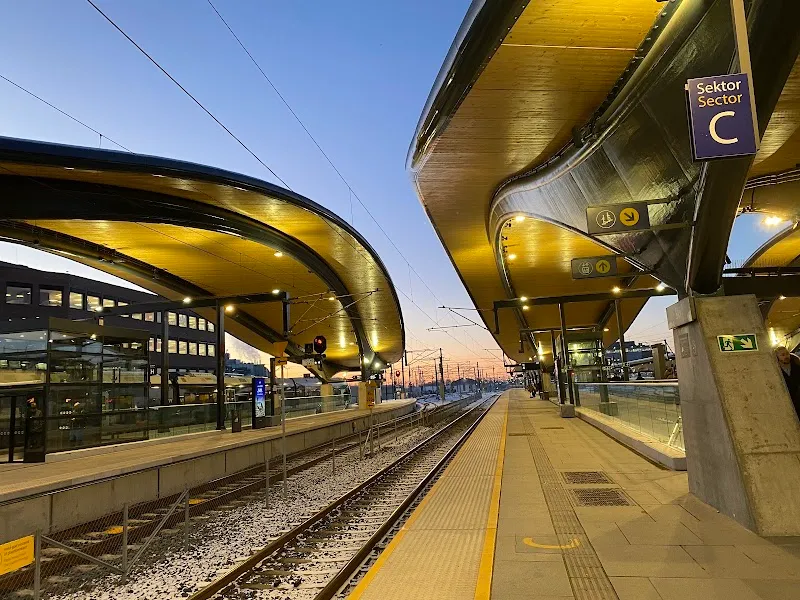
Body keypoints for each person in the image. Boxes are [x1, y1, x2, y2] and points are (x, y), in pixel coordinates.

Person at [775, 346, 800, 419]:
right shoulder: (776, 369)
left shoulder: (796, 365)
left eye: (787, 354)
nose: (786, 356)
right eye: (782, 355)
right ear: (777, 357)